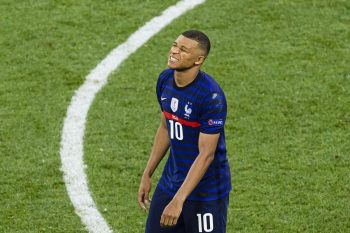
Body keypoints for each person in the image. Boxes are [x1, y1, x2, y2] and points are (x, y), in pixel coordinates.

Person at [138, 30, 231, 233]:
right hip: (170, 182)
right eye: (174, 45)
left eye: (183, 50)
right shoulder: (165, 80)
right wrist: (147, 173)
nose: (174, 51)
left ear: (198, 60)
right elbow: (166, 126)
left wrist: (178, 200)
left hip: (206, 192)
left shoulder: (210, 97)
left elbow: (206, 155)